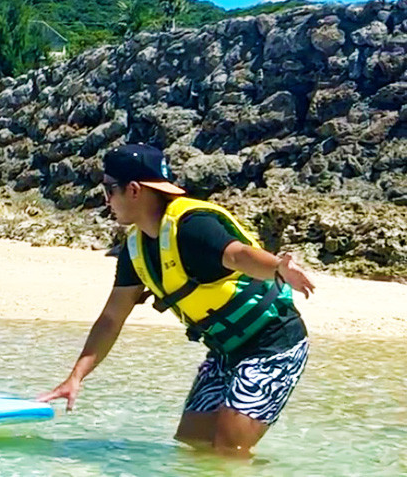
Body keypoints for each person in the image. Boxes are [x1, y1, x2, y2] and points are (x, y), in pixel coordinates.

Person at [39, 143, 316, 458]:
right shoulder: (135, 250)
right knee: (192, 442)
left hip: (274, 344)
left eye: (109, 188)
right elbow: (111, 318)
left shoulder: (192, 226)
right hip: (225, 351)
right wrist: (75, 377)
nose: (106, 200)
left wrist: (277, 266)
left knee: (229, 448)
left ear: (133, 190)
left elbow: (238, 255)